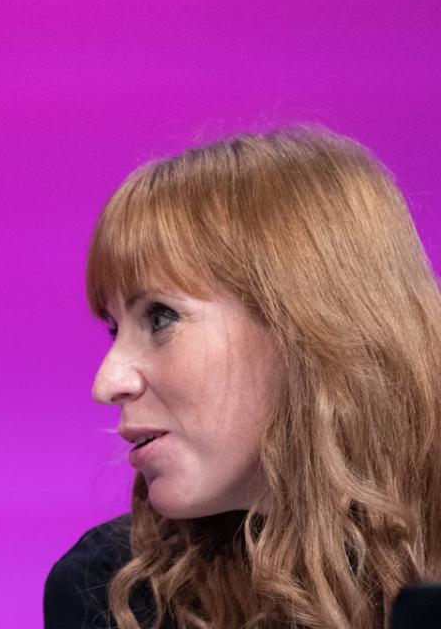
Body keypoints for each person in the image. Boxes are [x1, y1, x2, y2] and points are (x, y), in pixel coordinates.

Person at [44, 127, 441, 628]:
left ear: (307, 325)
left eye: (161, 317)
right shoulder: (113, 592)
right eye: (114, 329)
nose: (107, 383)